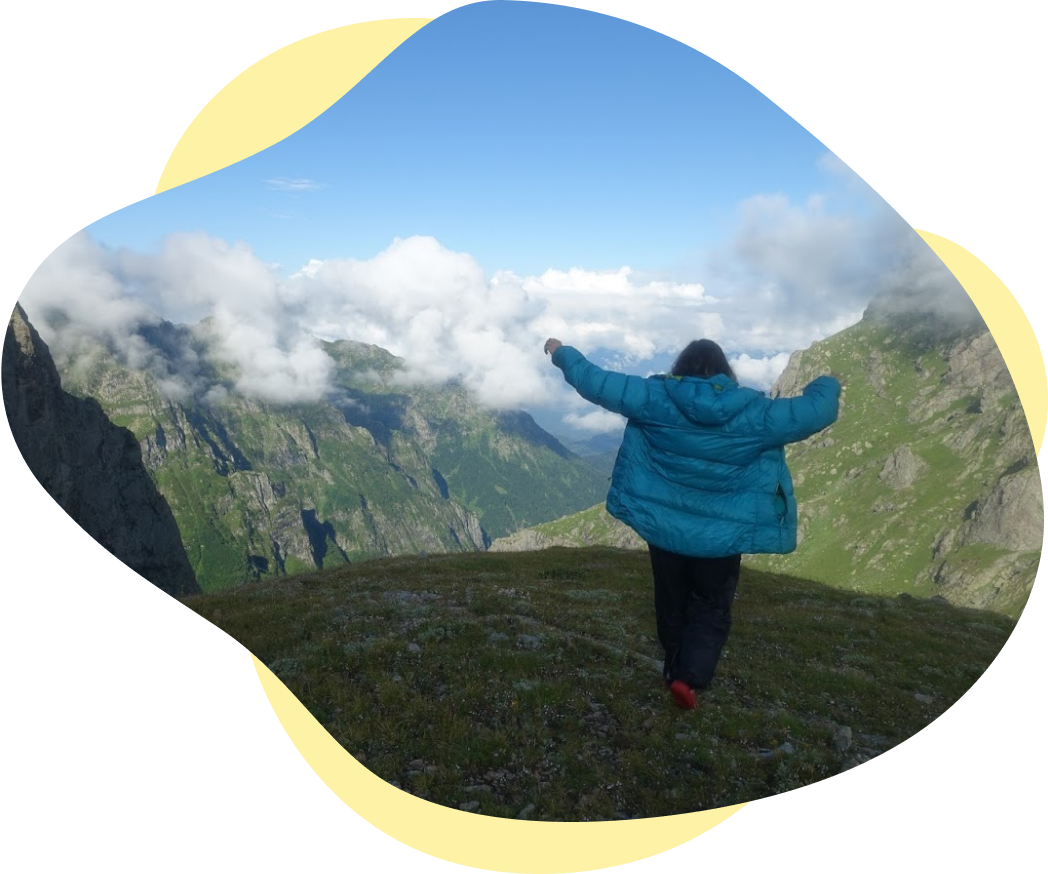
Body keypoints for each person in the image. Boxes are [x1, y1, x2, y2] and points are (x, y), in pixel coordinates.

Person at [543, 337, 840, 710]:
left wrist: (560, 351)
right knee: (711, 606)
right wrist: (827, 382)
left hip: (665, 530)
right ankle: (689, 677)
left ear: (679, 367)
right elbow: (818, 410)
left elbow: (593, 381)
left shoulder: (653, 396)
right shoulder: (755, 413)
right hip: (722, 538)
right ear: (725, 372)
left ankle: (673, 667)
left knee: (670, 599)